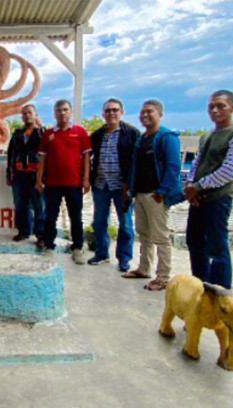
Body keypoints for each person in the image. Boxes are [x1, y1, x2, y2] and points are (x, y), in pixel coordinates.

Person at [185, 90, 233, 289]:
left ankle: (220, 293)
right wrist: (190, 185)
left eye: (221, 106)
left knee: (217, 247)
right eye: (211, 107)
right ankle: (201, 286)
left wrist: (197, 186)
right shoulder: (207, 136)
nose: (215, 110)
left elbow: (230, 170)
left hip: (218, 197)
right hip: (198, 196)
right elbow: (197, 163)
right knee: (194, 241)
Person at [123, 99, 185, 291]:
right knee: (144, 234)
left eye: (150, 112)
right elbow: (136, 167)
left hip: (156, 195)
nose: (145, 115)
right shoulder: (142, 139)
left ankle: (164, 277)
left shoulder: (167, 137)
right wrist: (130, 190)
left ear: (160, 114)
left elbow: (174, 167)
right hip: (140, 193)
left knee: (160, 237)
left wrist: (162, 192)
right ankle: (144, 268)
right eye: (142, 112)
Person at [35, 99, 91, 265]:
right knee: (50, 217)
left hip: (74, 183)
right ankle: (49, 246)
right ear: (54, 113)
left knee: (76, 217)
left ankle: (77, 248)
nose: (62, 113)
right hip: (52, 184)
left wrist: (86, 178)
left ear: (70, 112)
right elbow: (42, 159)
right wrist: (39, 180)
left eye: (65, 110)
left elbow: (87, 157)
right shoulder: (48, 134)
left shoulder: (80, 132)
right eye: (59, 110)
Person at [87, 98, 140, 272]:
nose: (111, 113)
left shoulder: (131, 133)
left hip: (122, 187)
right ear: (103, 114)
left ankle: (124, 258)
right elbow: (88, 158)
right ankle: (102, 253)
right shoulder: (96, 135)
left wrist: (131, 184)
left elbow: (136, 161)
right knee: (99, 221)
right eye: (108, 110)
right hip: (101, 185)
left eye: (115, 110)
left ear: (121, 112)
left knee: (125, 224)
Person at [6, 104, 45, 242]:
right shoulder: (17, 134)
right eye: (24, 113)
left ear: (35, 115)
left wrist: (43, 177)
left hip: (36, 175)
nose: (27, 115)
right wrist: (8, 174)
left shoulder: (42, 133)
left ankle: (41, 235)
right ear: (22, 116)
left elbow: (47, 155)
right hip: (18, 175)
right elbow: (10, 154)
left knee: (39, 205)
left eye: (30, 112)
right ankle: (23, 231)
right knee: (20, 205)